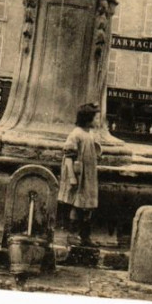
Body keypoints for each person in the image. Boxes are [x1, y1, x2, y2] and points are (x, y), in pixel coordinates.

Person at [57, 102, 102, 247]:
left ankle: (85, 237)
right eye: (96, 118)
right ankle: (72, 235)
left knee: (87, 206)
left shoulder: (89, 134)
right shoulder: (76, 134)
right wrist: (71, 177)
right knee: (77, 206)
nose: (98, 121)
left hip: (89, 176)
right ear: (87, 119)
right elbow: (68, 157)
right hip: (79, 176)